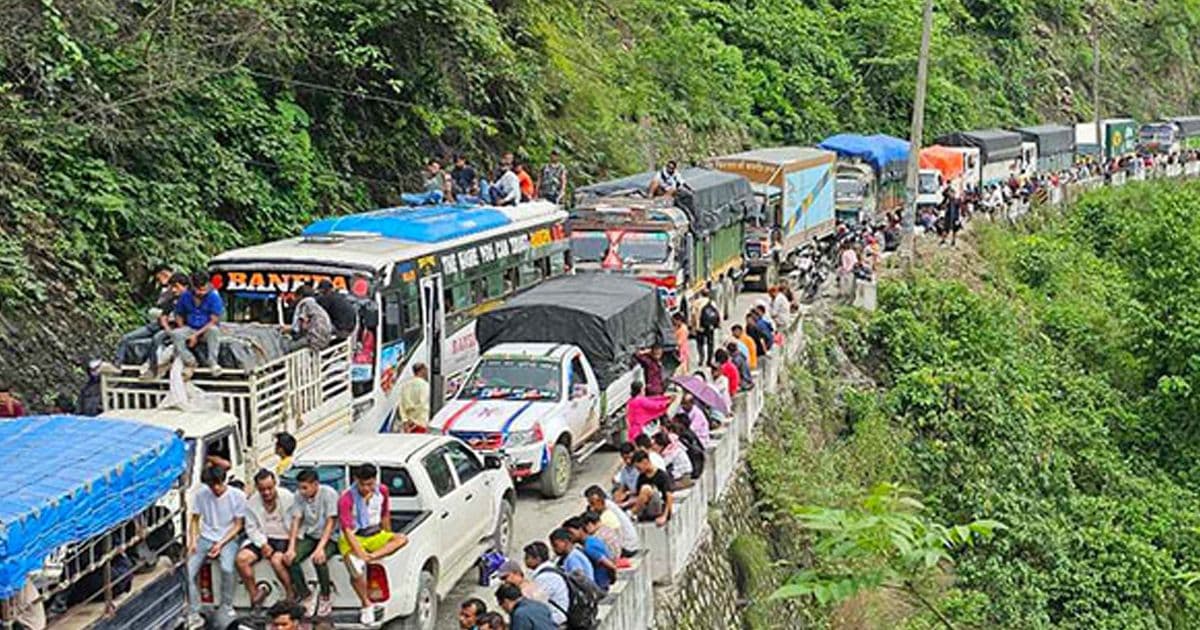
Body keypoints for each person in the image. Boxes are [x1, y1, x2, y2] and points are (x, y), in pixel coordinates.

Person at [338, 464, 409, 625]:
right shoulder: (346, 498)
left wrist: (376, 551)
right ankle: (366, 604)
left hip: (375, 534)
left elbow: (384, 515)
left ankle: (371, 557)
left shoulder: (382, 491)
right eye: (362, 484)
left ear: (375, 481)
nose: (366, 488)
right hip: (354, 537)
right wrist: (359, 551)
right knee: (355, 571)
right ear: (356, 480)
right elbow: (347, 530)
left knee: (401, 539)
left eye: (370, 484)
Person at [187, 465, 246, 622]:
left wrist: (220, 544)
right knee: (188, 571)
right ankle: (194, 609)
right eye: (212, 486)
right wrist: (193, 541)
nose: (216, 488)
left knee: (227, 567)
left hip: (228, 537)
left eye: (218, 484)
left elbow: (238, 525)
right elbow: (194, 519)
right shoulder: (201, 495)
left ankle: (227, 605)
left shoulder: (238, 496)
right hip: (205, 537)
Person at [236, 470, 296, 605]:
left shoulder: (288, 498)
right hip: (263, 537)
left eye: (269, 488)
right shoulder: (252, 502)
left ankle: (290, 593)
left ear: (275, 484)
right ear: (257, 488)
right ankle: (255, 596)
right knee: (241, 559)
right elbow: (251, 528)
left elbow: (296, 523)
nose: (267, 493)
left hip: (284, 537)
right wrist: (262, 543)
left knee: (276, 560)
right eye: (262, 489)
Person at [286, 468, 340, 618]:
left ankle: (325, 596)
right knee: (291, 559)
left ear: (315, 484)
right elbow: (296, 520)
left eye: (305, 487)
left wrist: (320, 548)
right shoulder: (298, 496)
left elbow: (331, 522)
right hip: (310, 534)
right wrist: (291, 548)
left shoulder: (329, 494)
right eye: (300, 487)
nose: (302, 491)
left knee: (319, 560)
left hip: (330, 536)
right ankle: (306, 595)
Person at [116, 271, 188, 365]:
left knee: (156, 338)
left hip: (174, 329)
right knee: (126, 338)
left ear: (186, 286)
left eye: (176, 287)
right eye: (172, 287)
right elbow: (163, 315)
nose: (174, 290)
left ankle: (152, 365)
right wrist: (166, 326)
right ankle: (117, 363)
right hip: (158, 326)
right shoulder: (171, 297)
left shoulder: (191, 300)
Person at [164, 272, 224, 377]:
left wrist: (195, 336)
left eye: (204, 289)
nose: (202, 292)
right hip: (190, 327)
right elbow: (178, 314)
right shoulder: (185, 296)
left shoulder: (214, 297)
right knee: (175, 334)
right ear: (193, 287)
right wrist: (183, 328)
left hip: (206, 329)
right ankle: (190, 361)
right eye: (199, 290)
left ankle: (213, 363)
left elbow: (213, 321)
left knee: (214, 330)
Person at [584, 485, 640, 557]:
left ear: (600, 500)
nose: (592, 508)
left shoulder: (608, 512)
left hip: (627, 547)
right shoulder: (605, 507)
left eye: (592, 503)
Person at [562, 517, 616, 592]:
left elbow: (611, 565)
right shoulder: (593, 540)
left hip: (600, 585)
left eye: (571, 533)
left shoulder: (589, 547)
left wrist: (612, 579)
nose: (569, 536)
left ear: (580, 529)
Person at [522, 542, 568, 627]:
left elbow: (535, 602)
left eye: (527, 557)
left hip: (556, 618)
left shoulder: (545, 577)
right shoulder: (550, 569)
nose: (525, 561)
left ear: (538, 559)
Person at [282, 284, 332, 353]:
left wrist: (285, 329)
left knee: (286, 347)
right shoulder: (316, 306)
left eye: (296, 296)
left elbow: (300, 327)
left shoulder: (304, 305)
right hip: (325, 340)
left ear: (300, 296)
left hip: (313, 340)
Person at [631, 450, 674, 526]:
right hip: (647, 508)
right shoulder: (641, 478)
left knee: (646, 488)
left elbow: (669, 497)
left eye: (638, 468)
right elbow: (639, 497)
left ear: (645, 462)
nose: (638, 471)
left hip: (659, 507)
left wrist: (665, 516)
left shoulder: (662, 476)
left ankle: (631, 513)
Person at [395, 363, 430, 432]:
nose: (427, 372)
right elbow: (423, 405)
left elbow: (401, 404)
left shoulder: (405, 385)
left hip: (408, 425)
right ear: (422, 371)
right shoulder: (424, 385)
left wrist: (405, 420)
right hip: (420, 422)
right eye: (426, 370)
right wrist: (415, 420)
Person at [692, 288, 720, 366]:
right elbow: (717, 314)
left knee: (700, 343)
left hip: (700, 326)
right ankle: (709, 360)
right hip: (710, 327)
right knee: (710, 343)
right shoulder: (712, 302)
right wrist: (717, 324)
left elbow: (694, 315)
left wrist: (694, 326)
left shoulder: (696, 302)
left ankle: (701, 358)